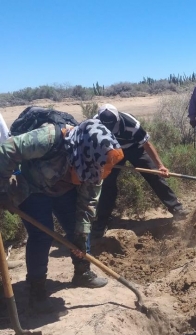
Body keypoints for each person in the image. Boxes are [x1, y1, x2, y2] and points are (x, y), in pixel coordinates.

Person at [0, 118, 124, 313]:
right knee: (42, 234)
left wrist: (81, 238)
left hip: (64, 190)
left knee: (77, 229)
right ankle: (37, 290)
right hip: (32, 188)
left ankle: (83, 272)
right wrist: (2, 189)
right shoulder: (49, 138)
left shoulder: (96, 161)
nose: (99, 172)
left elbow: (87, 205)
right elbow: (6, 151)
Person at [91, 104, 188, 238]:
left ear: (118, 119)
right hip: (112, 151)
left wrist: (160, 166)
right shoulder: (96, 122)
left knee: (155, 176)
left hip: (134, 148)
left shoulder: (131, 124)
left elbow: (146, 144)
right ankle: (103, 220)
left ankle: (176, 208)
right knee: (107, 183)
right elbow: (92, 143)